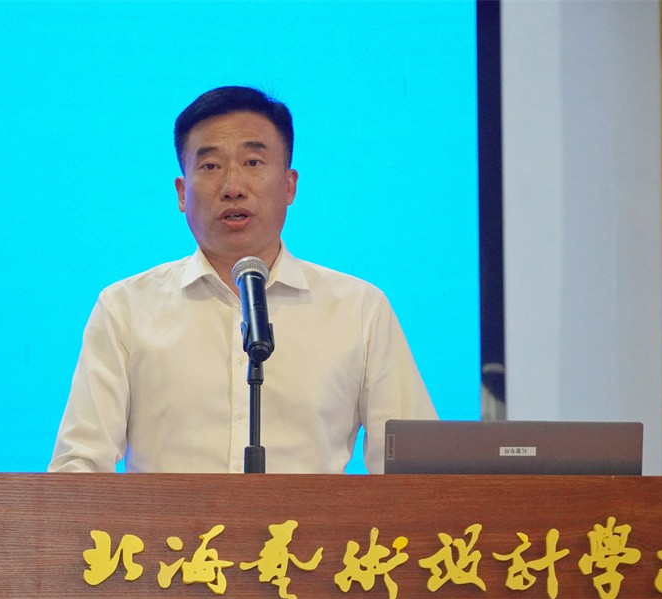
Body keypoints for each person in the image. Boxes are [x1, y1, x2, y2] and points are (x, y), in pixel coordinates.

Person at [49, 86, 436, 474]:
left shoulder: (359, 309)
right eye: (210, 166)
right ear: (182, 193)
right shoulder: (126, 308)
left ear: (289, 185)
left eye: (253, 162)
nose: (233, 187)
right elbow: (78, 465)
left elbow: (417, 473)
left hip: (308, 519)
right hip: (170, 519)